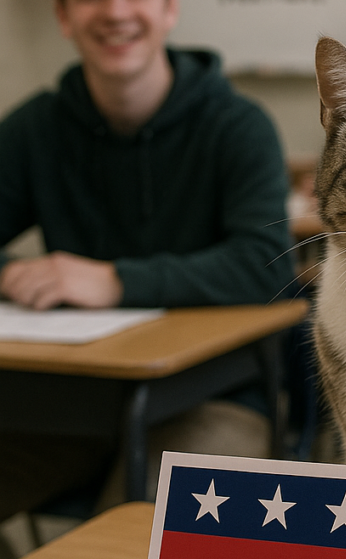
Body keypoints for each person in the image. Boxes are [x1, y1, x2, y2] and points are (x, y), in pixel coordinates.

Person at [0, 0, 294, 527]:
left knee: (143, 538)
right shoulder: (35, 128)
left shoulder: (239, 126)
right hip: (66, 408)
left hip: (216, 399)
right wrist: (13, 276)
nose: (115, 12)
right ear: (63, 17)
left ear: (168, 10)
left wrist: (115, 280)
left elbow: (264, 265)